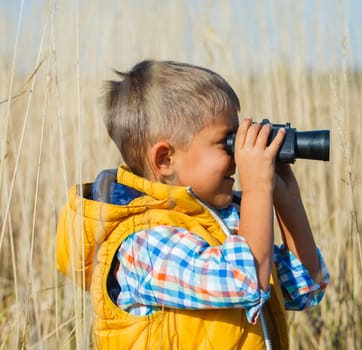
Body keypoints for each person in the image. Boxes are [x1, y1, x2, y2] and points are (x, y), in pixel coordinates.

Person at [56, 60, 330, 349]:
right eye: (227, 142)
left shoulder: (225, 224)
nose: (238, 155)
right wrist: (256, 187)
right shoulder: (144, 244)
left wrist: (288, 202)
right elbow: (244, 282)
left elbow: (304, 288)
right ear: (165, 160)